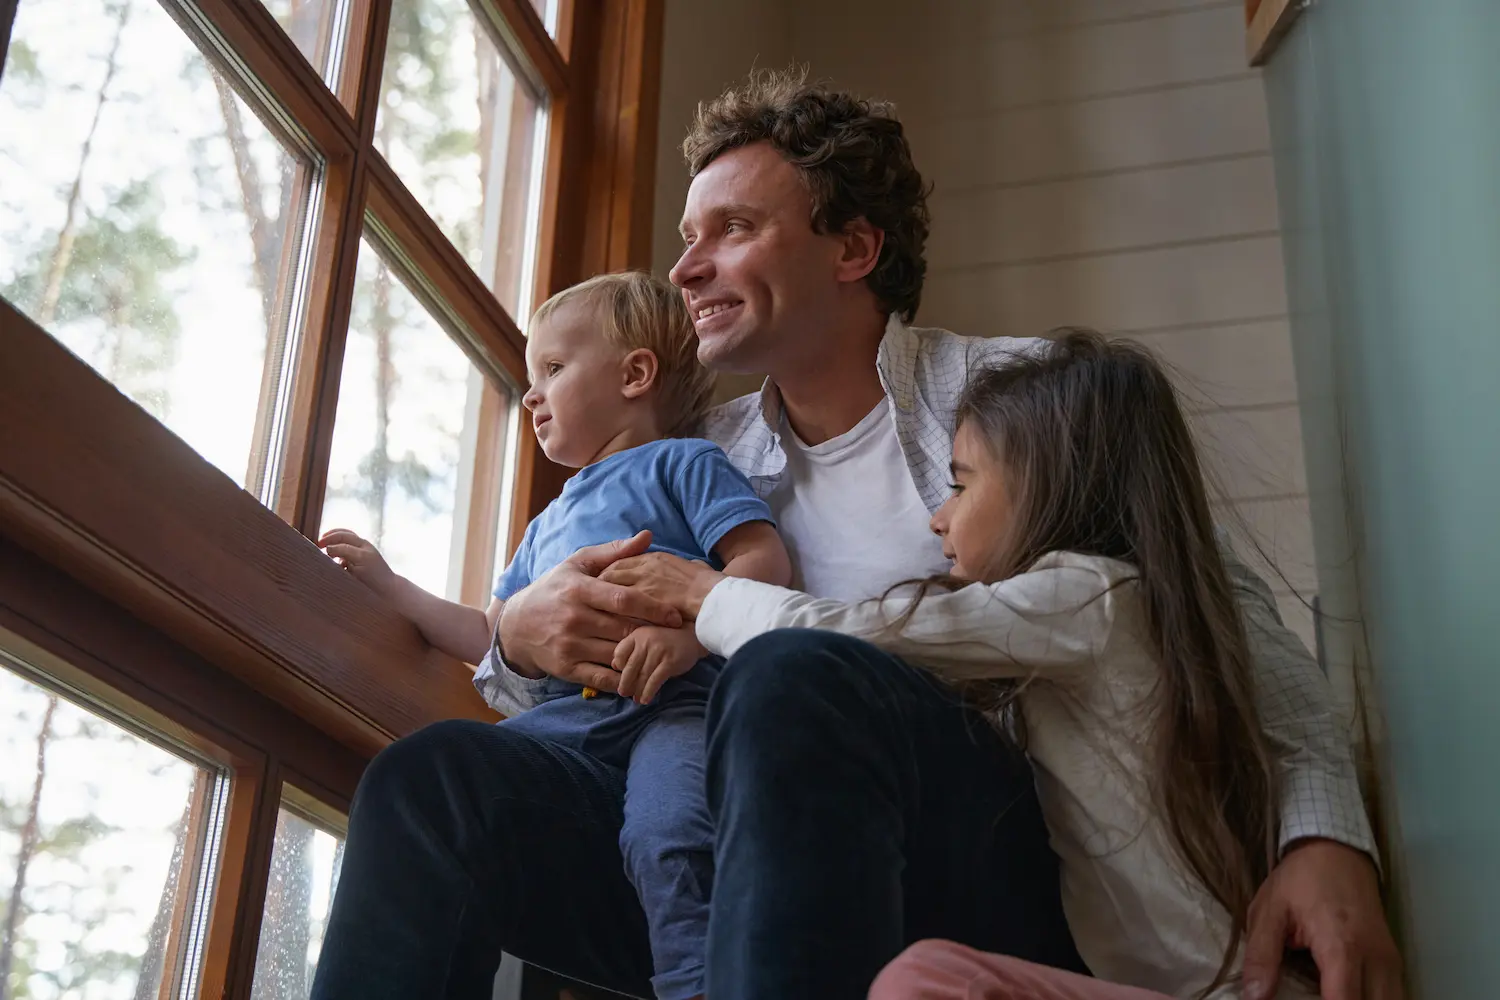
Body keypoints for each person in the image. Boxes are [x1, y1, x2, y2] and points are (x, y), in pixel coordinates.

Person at [311, 70, 1400, 1000]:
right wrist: (524, 637)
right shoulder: (696, 449)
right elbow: (577, 657)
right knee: (434, 777)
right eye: (687, 238)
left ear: (854, 247)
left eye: (733, 229)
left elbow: (1214, 611)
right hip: (708, 857)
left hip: (987, 863)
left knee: (788, 677)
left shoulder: (1014, 399)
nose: (686, 267)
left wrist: (1323, 836)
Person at [602, 330, 1340, 999]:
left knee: (923, 980)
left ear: (1051, 484)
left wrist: (707, 595)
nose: (938, 516)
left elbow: (861, 634)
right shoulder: (1102, 617)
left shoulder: (1089, 596)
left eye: (960, 483)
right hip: (1134, 978)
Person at [317, 271, 791, 1000]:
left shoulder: (685, 464)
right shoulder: (547, 524)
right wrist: (388, 585)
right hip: (569, 720)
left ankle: (697, 987)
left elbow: (763, 561)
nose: (533, 394)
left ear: (635, 374)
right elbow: (487, 630)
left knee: (668, 832)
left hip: (677, 709)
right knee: (431, 790)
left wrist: (693, 638)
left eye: (554, 369)